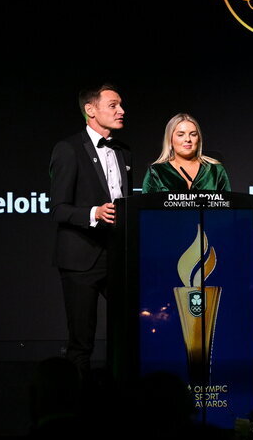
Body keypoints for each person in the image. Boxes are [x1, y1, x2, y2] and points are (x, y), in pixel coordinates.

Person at [49, 84, 131, 376]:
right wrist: (93, 213)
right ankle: (79, 401)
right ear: (90, 110)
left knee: (128, 333)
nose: (121, 111)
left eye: (120, 105)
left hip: (117, 256)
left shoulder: (123, 151)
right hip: (80, 259)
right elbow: (58, 209)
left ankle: (120, 394)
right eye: (113, 105)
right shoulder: (68, 149)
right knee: (82, 341)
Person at [141, 113, 230, 192]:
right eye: (181, 135)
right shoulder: (156, 172)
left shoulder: (215, 170)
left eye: (193, 134)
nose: (188, 139)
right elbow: (146, 204)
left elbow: (228, 204)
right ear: (170, 140)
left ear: (199, 139)